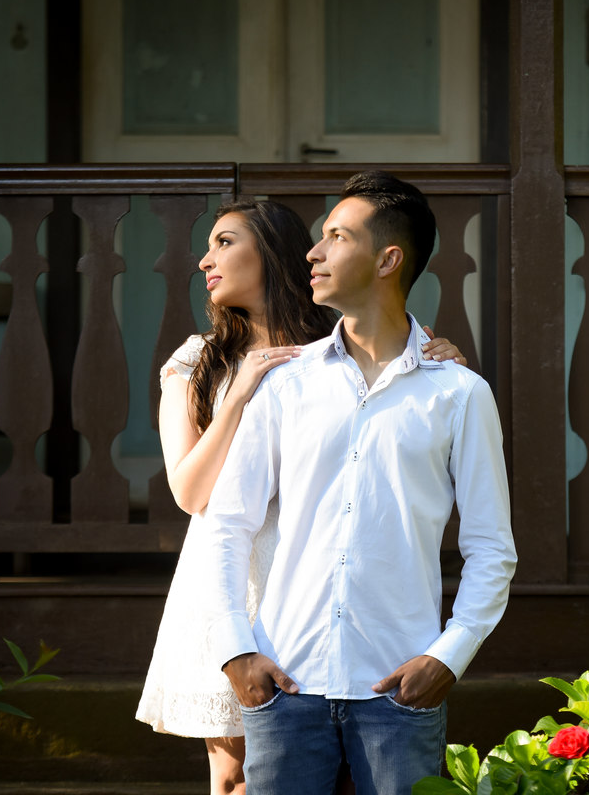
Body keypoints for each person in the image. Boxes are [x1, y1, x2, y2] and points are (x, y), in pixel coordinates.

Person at [135, 197, 467, 795]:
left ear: (272, 252)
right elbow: (189, 493)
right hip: (230, 578)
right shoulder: (199, 360)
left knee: (334, 770)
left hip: (318, 579)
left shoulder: (336, 348)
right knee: (235, 773)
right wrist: (239, 393)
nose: (205, 260)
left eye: (224, 242)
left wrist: (441, 357)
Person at [203, 171, 517, 794]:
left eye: (336, 237)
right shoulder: (285, 387)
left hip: (399, 692)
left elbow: (492, 549)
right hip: (285, 686)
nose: (313, 253)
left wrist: (448, 657)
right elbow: (227, 525)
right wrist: (237, 649)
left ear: (387, 259)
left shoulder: (458, 394)